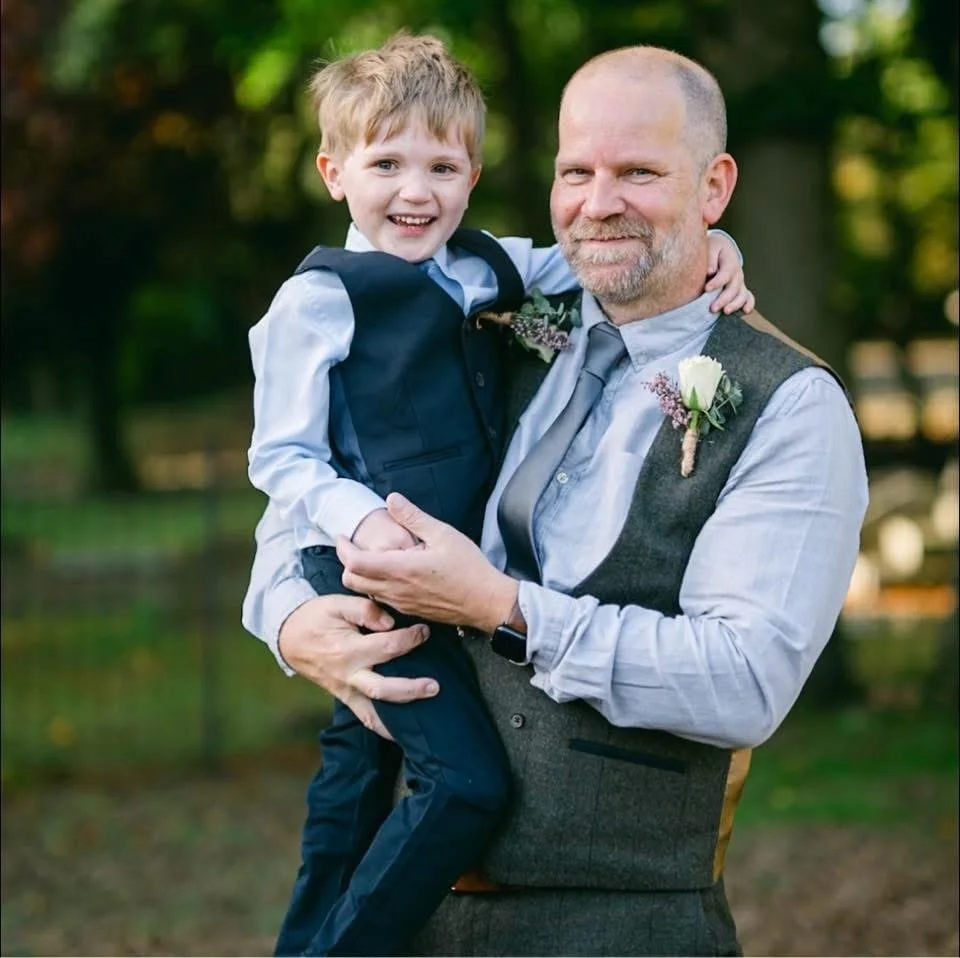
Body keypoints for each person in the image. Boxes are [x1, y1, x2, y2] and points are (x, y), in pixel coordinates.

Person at [242, 43, 864, 958]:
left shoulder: (785, 403)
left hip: (616, 926)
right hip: (409, 910)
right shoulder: (509, 329)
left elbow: (744, 680)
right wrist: (293, 622)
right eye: (578, 170)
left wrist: (499, 608)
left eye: (641, 172)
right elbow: (305, 487)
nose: (598, 201)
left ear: (713, 186)